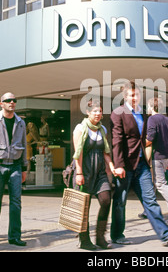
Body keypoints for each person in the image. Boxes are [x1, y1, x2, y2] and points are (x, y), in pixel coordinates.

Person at [110, 80, 168, 246]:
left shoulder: (143, 113)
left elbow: (145, 138)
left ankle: (165, 235)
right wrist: (119, 164)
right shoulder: (118, 113)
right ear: (125, 96)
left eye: (136, 94)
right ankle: (116, 235)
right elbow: (117, 140)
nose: (134, 98)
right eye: (131, 95)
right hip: (126, 164)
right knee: (120, 202)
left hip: (142, 164)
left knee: (150, 199)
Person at [0, 92, 27, 246]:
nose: (12, 102)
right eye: (8, 100)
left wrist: (24, 167)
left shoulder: (20, 122)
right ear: (1, 103)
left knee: (16, 201)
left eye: (14, 100)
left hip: (15, 165)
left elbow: (24, 145)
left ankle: (15, 236)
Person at [73, 99, 115, 250]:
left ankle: (100, 237)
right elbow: (78, 153)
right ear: (88, 112)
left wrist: (111, 167)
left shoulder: (102, 129)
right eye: (95, 111)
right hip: (84, 171)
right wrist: (79, 173)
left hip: (99, 172)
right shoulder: (80, 128)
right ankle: (84, 241)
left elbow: (106, 152)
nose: (98, 114)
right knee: (84, 207)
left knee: (105, 200)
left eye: (100, 111)